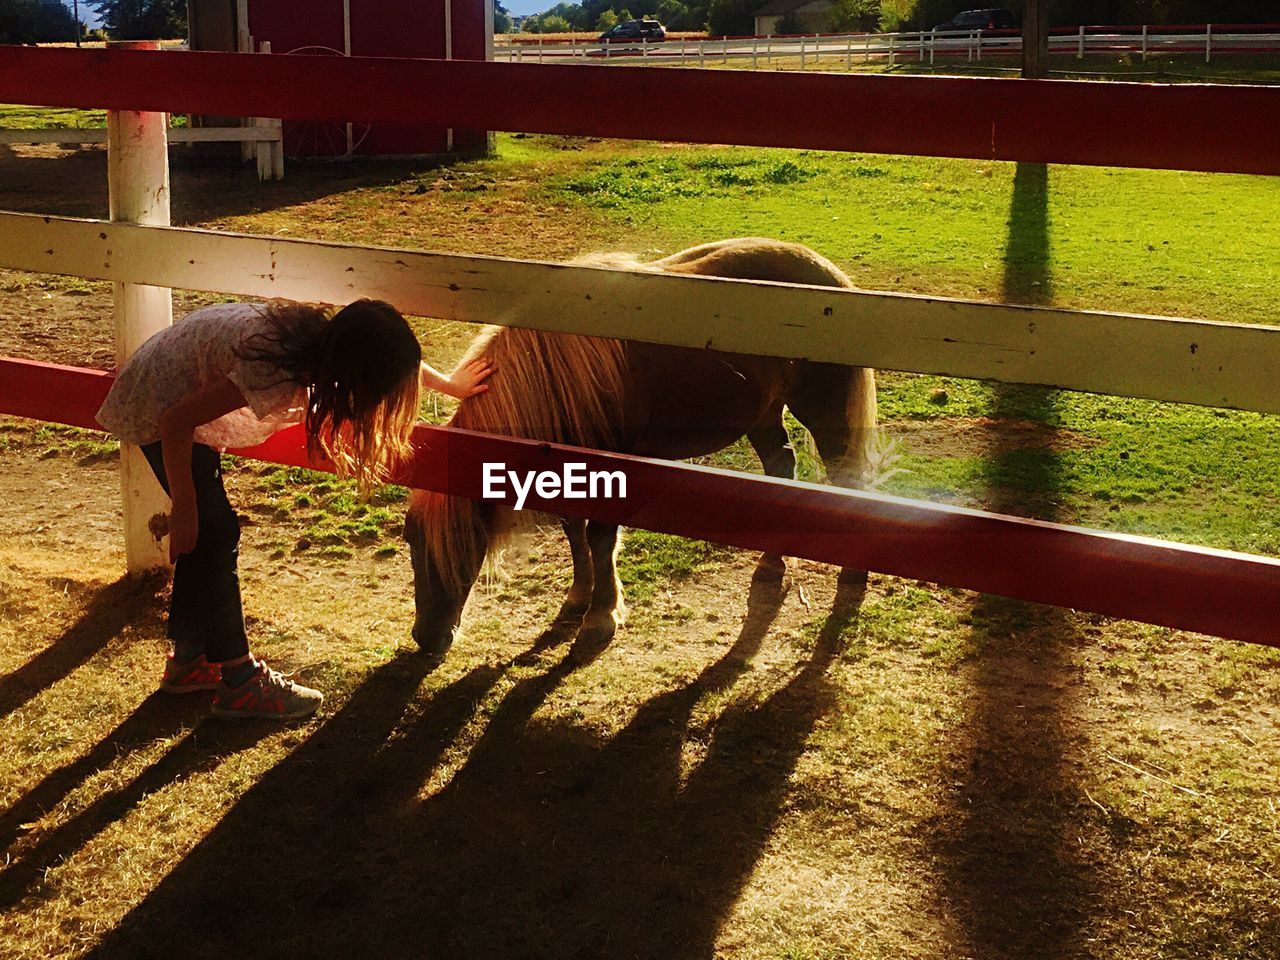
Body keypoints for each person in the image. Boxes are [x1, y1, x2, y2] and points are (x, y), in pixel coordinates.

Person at [96, 298, 494, 720]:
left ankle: (190, 660)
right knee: (214, 531)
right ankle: (239, 680)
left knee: (214, 533)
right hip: (160, 408)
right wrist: (185, 506)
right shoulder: (274, 370)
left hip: (178, 398)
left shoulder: (321, 343)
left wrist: (449, 385)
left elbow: (390, 358)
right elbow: (175, 421)